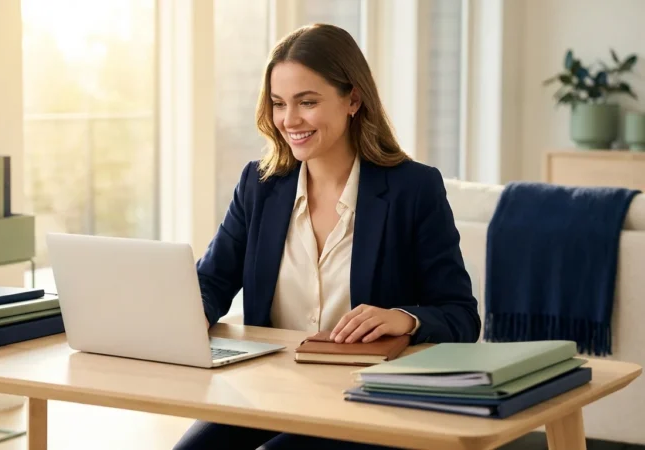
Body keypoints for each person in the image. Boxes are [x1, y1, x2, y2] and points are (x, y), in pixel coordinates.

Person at [174, 23, 481, 450]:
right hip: (272, 391)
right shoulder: (259, 186)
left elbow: (462, 317)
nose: (289, 120)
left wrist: (405, 318)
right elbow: (211, 281)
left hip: (370, 401)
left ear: (353, 99)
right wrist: (186, 319)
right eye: (279, 104)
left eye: (308, 102)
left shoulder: (414, 189)